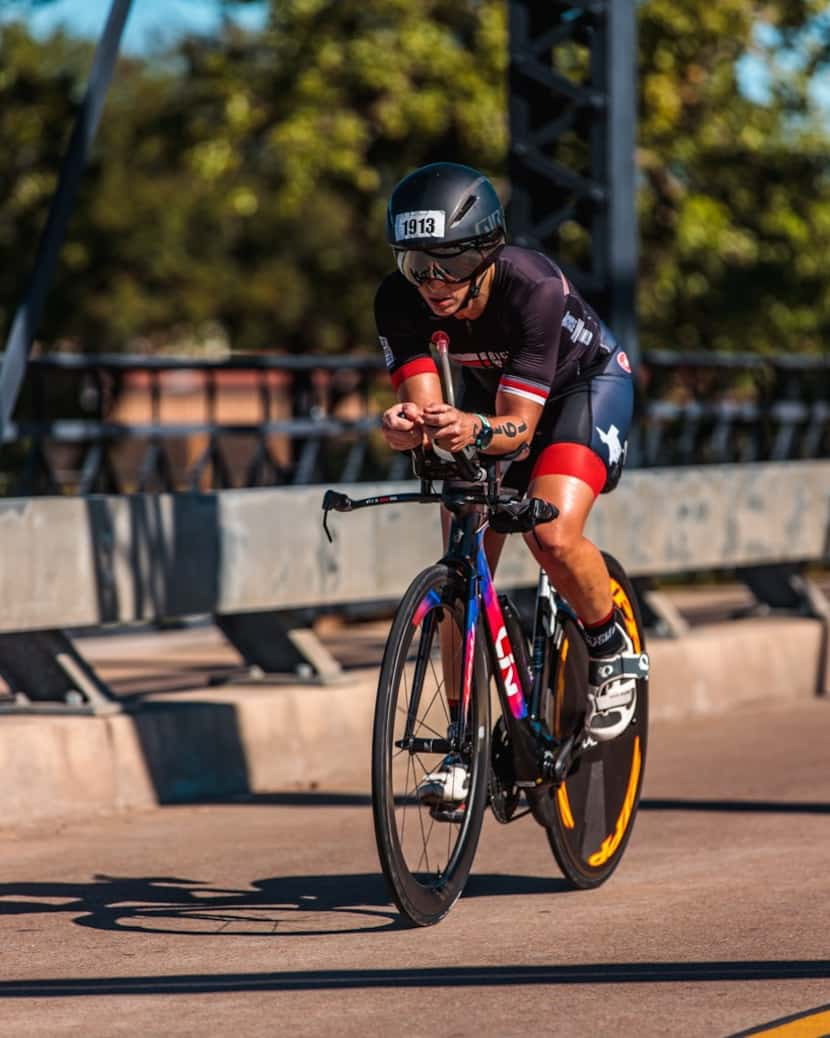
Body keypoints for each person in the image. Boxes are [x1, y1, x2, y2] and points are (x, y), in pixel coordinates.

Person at [375, 161, 642, 808]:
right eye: (417, 264)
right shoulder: (397, 298)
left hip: (583, 390)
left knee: (550, 532)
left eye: (451, 263)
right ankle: (462, 747)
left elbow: (520, 432)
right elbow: (425, 404)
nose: (433, 283)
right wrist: (409, 425)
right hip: (494, 405)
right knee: (461, 568)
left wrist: (468, 425)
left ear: (487, 252)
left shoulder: (533, 286)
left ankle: (611, 648)